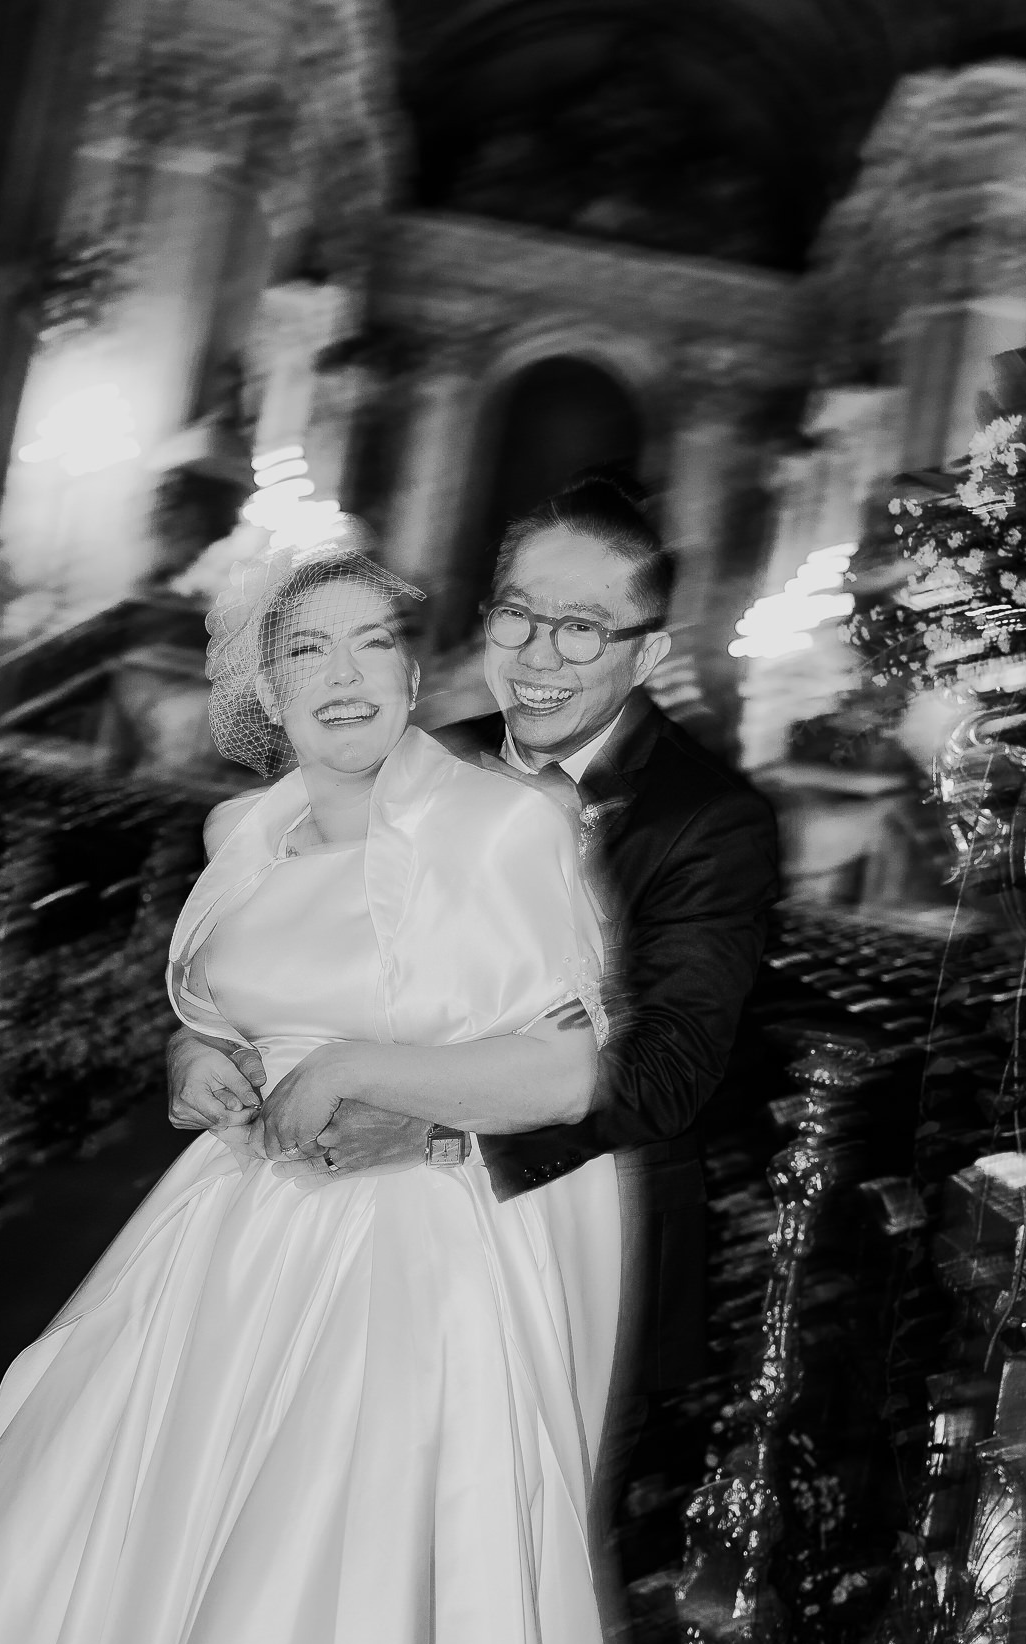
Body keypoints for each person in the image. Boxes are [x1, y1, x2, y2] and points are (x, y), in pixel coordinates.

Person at [0, 547, 627, 1644]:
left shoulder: (503, 825)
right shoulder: (239, 827)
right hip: (226, 1221)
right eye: (308, 649)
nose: (344, 673)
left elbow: (566, 1072)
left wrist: (367, 1066)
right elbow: (224, 1004)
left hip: (403, 1239)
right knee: (112, 1526)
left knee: (323, 1567)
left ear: (414, 676)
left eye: (371, 642)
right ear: (268, 689)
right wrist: (194, 1053)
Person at [169, 475, 780, 1532]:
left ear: (646, 655)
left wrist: (435, 1122)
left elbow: (664, 1070)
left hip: (556, 1230)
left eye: (582, 628)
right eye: (517, 615)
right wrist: (201, 1045)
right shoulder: (422, 753)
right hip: (324, 1219)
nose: (539, 654)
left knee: (493, 1547)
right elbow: (297, 953)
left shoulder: (707, 819)